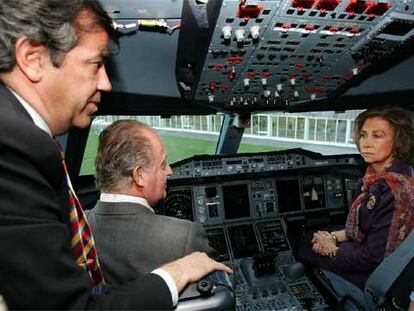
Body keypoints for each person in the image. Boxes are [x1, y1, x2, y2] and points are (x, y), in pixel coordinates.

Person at [0, 0, 231, 309]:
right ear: (32, 59)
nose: (106, 83)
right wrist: (177, 272)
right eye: (96, 63)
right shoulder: (13, 147)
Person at [299, 106, 414, 306]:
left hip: (377, 274)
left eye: (377, 136)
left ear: (398, 142)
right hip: (378, 253)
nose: (366, 143)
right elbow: (368, 228)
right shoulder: (382, 176)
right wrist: (333, 237)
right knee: (321, 232)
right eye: (363, 135)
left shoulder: (395, 192)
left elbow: (373, 258)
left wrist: (330, 250)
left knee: (306, 244)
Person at [86, 120, 214, 284]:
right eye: (162, 165)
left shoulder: (79, 228)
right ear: (139, 176)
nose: (169, 171)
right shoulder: (184, 237)